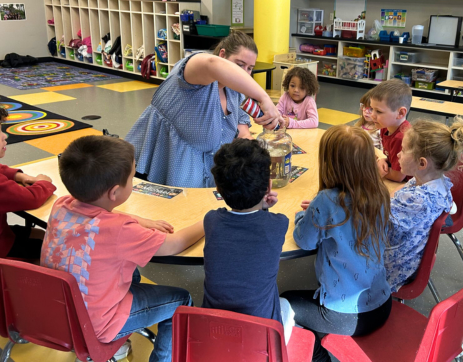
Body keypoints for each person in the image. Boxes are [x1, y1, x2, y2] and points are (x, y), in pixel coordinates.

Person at [40, 135, 205, 362]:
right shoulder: (120, 231)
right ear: (115, 192)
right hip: (96, 324)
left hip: (60, 313)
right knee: (181, 301)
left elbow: (100, 216)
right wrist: (208, 220)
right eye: (132, 176)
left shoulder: (62, 204)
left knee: (129, 269)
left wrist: (137, 220)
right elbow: (175, 244)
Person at [281, 125, 392, 362]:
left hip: (344, 317)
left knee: (283, 301)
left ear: (329, 163)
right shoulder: (380, 193)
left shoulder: (326, 201)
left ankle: (320, 357)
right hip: (383, 305)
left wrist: (306, 214)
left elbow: (304, 241)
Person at [126, 31, 281, 188]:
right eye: (239, 65)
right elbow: (212, 64)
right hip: (162, 175)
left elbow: (242, 134)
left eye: (249, 68)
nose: (244, 73)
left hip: (207, 179)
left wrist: (254, 159)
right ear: (222, 55)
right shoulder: (194, 76)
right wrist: (264, 98)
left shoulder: (235, 93)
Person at [202, 138, 295, 343]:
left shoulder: (211, 221)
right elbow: (259, 224)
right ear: (268, 185)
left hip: (213, 337)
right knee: (286, 306)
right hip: (261, 339)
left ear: (218, 188)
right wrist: (263, 206)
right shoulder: (278, 224)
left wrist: (259, 204)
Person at [385, 117, 463, 292]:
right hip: (411, 253)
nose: (398, 154)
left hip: (395, 266)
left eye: (403, 150)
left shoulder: (420, 200)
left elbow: (377, 221)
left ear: (422, 163)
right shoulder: (432, 182)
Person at [0, 106, 56, 259]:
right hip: (3, 248)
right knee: (50, 253)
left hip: (4, 233)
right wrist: (44, 183)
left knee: (41, 234)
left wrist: (19, 176)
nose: (4, 136)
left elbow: (2, 170)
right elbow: (31, 198)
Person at [369, 79, 413, 183]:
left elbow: (397, 176)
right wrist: (383, 160)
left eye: (378, 111)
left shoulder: (401, 138)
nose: (372, 115)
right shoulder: (385, 127)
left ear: (401, 113)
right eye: (372, 109)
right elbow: (392, 158)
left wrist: (375, 168)